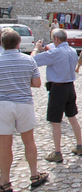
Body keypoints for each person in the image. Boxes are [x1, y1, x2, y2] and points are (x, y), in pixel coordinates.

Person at [0, 29, 49, 192]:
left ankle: (5, 181)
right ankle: (34, 174)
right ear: (19, 43)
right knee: (29, 141)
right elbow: (36, 83)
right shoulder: (28, 60)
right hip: (23, 103)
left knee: (4, 145)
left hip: (3, 105)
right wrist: (20, 82)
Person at [31, 28, 82, 163]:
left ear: (56, 39)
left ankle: (57, 152)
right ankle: (79, 146)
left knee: (55, 122)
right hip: (69, 86)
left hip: (58, 88)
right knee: (72, 117)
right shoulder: (72, 51)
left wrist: (37, 48)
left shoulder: (55, 53)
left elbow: (33, 61)